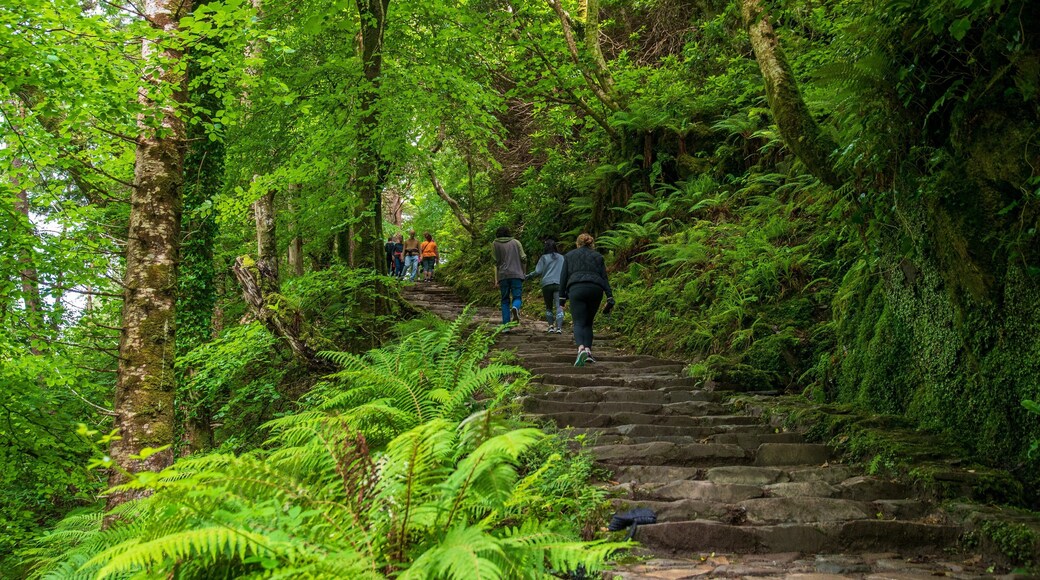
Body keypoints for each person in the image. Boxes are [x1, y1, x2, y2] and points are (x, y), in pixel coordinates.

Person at [559, 233, 614, 366]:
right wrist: (610, 296)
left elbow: (563, 277)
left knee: (578, 322)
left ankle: (581, 349)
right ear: (591, 244)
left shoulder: (569, 256)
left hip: (576, 289)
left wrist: (562, 299)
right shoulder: (598, 257)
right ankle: (588, 352)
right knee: (588, 322)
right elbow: (604, 277)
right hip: (595, 289)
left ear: (577, 244)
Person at [526, 238, 565, 333]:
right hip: (559, 283)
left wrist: (528, 276)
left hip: (546, 284)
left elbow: (538, 271)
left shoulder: (543, 258)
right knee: (559, 306)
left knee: (548, 307)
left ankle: (551, 326)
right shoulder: (561, 257)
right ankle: (559, 328)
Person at [492, 226, 526, 326]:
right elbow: (524, 258)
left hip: (503, 275)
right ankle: (515, 307)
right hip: (517, 274)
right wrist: (523, 272)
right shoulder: (516, 242)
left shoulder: (495, 244)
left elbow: (495, 263)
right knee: (517, 297)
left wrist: (496, 279)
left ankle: (506, 326)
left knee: (505, 300)